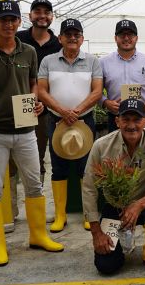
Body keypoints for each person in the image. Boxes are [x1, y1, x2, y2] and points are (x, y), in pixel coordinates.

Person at [0, 0, 64, 266]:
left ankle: (38, 235)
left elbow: (34, 82)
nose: (8, 24)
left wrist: (35, 101)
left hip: (25, 130)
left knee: (34, 184)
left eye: (12, 20)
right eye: (3, 20)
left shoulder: (28, 53)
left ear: (19, 22)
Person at [82, 98, 145, 276]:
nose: (131, 125)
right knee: (106, 265)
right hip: (116, 207)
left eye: (137, 120)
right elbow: (89, 188)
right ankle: (122, 245)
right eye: (126, 120)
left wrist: (139, 204)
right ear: (117, 121)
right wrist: (96, 233)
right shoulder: (101, 146)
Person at [37, 18, 103, 233]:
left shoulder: (93, 61)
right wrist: (63, 111)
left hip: (85, 120)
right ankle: (60, 215)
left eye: (76, 34)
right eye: (68, 34)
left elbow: (97, 91)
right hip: (57, 120)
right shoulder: (48, 61)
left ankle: (88, 214)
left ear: (82, 38)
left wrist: (76, 111)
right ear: (60, 38)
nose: (72, 38)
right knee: (58, 168)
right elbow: (43, 90)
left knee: (87, 168)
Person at [15, 0, 61, 185]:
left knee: (37, 155)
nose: (42, 16)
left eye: (46, 13)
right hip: (18, 104)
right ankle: (12, 204)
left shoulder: (59, 44)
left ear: (52, 17)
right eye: (38, 11)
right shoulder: (18, 39)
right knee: (12, 158)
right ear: (30, 16)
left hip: (45, 109)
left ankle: (36, 200)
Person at [100, 19, 145, 132]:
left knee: (143, 149)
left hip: (142, 117)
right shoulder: (103, 62)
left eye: (130, 34)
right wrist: (105, 102)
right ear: (115, 38)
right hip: (116, 118)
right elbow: (96, 91)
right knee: (116, 149)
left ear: (136, 38)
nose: (126, 38)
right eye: (122, 34)